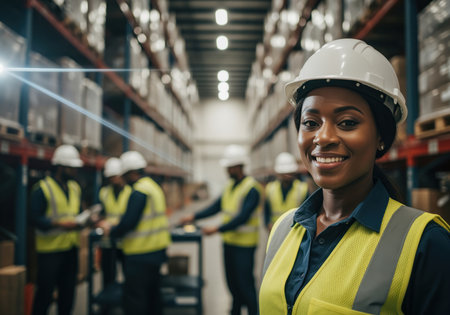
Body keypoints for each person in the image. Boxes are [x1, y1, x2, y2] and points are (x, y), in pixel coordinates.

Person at [259, 38, 450, 314]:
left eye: (347, 122)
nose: (323, 138)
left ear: (381, 137)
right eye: (310, 123)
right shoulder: (282, 230)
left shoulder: (426, 244)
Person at [180, 144, 262, 315]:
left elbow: (242, 217)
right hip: (229, 243)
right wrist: (194, 216)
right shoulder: (230, 186)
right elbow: (215, 207)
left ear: (238, 167)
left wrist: (217, 229)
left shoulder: (251, 188)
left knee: (245, 285)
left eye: (229, 168)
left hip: (244, 246)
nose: (227, 171)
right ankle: (235, 311)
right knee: (232, 284)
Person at [99, 151, 170, 315]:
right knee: (153, 298)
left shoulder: (139, 191)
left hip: (140, 254)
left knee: (135, 300)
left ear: (131, 173)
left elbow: (129, 222)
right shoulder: (153, 187)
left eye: (124, 175)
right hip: (157, 251)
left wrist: (111, 231)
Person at [31, 144, 84, 315]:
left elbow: (77, 213)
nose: (75, 171)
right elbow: (35, 219)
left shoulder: (75, 188)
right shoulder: (42, 189)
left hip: (70, 249)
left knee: (68, 294)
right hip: (50, 252)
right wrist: (61, 224)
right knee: (45, 295)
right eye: (72, 168)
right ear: (61, 167)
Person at [97, 157, 131, 291]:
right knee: (108, 276)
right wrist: (100, 222)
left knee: (129, 276)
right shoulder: (104, 192)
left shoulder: (131, 192)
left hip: (126, 240)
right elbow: (100, 214)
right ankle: (107, 307)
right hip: (108, 241)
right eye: (110, 177)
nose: (113, 180)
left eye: (115, 176)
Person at [264, 152, 308, 231]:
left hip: (295, 231)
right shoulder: (270, 188)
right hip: (275, 230)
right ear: (279, 173)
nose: (287, 175)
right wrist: (268, 224)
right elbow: (266, 212)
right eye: (284, 173)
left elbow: (307, 214)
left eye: (289, 172)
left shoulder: (302, 188)